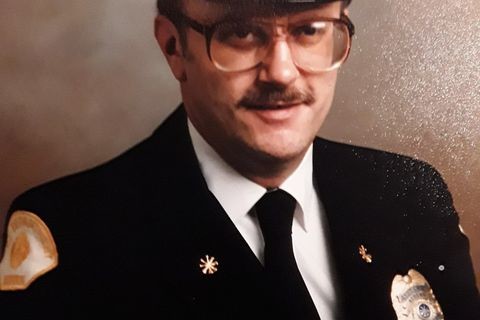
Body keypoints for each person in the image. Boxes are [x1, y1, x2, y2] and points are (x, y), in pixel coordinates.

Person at [0, 0, 479, 319]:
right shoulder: (75, 234)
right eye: (242, 34)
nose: (281, 71)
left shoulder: (410, 194)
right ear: (174, 48)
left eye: (310, 30)